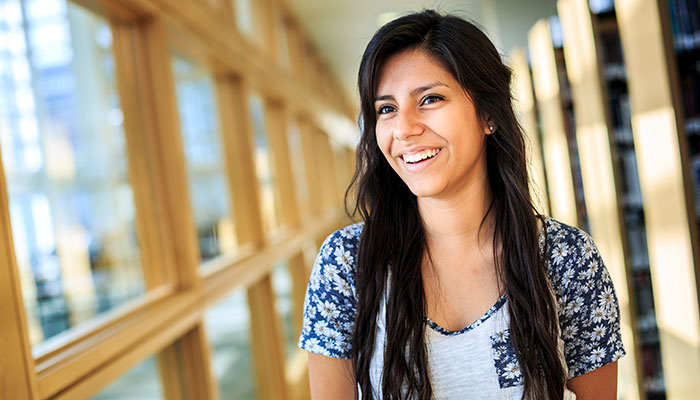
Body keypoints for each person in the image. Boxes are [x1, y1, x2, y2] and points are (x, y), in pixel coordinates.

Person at [298, 9, 624, 400]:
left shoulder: (566, 257)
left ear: (489, 114)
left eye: (430, 99)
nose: (404, 128)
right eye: (386, 109)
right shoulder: (346, 263)